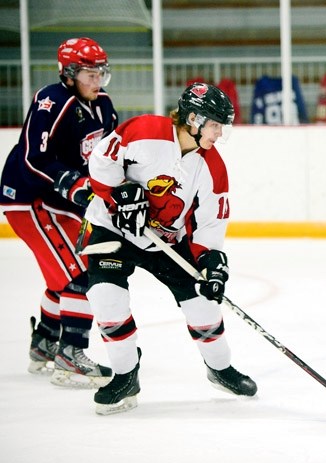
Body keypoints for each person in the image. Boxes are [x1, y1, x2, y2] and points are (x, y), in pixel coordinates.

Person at [83, 82, 257, 415]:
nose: (219, 133)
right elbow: (101, 163)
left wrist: (211, 260)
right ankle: (125, 375)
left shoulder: (213, 167)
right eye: (215, 124)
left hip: (168, 240)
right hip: (112, 228)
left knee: (204, 305)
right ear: (193, 118)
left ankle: (220, 369)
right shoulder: (145, 131)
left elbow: (209, 222)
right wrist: (119, 193)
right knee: (106, 298)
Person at [0, 37, 117, 388]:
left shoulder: (103, 105)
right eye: (89, 74)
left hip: (61, 203)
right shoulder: (52, 100)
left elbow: (109, 154)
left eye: (100, 74)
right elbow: (33, 159)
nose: (97, 82)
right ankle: (70, 354)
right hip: (29, 199)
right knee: (81, 273)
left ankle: (45, 342)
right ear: (69, 73)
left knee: (61, 277)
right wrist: (72, 183)